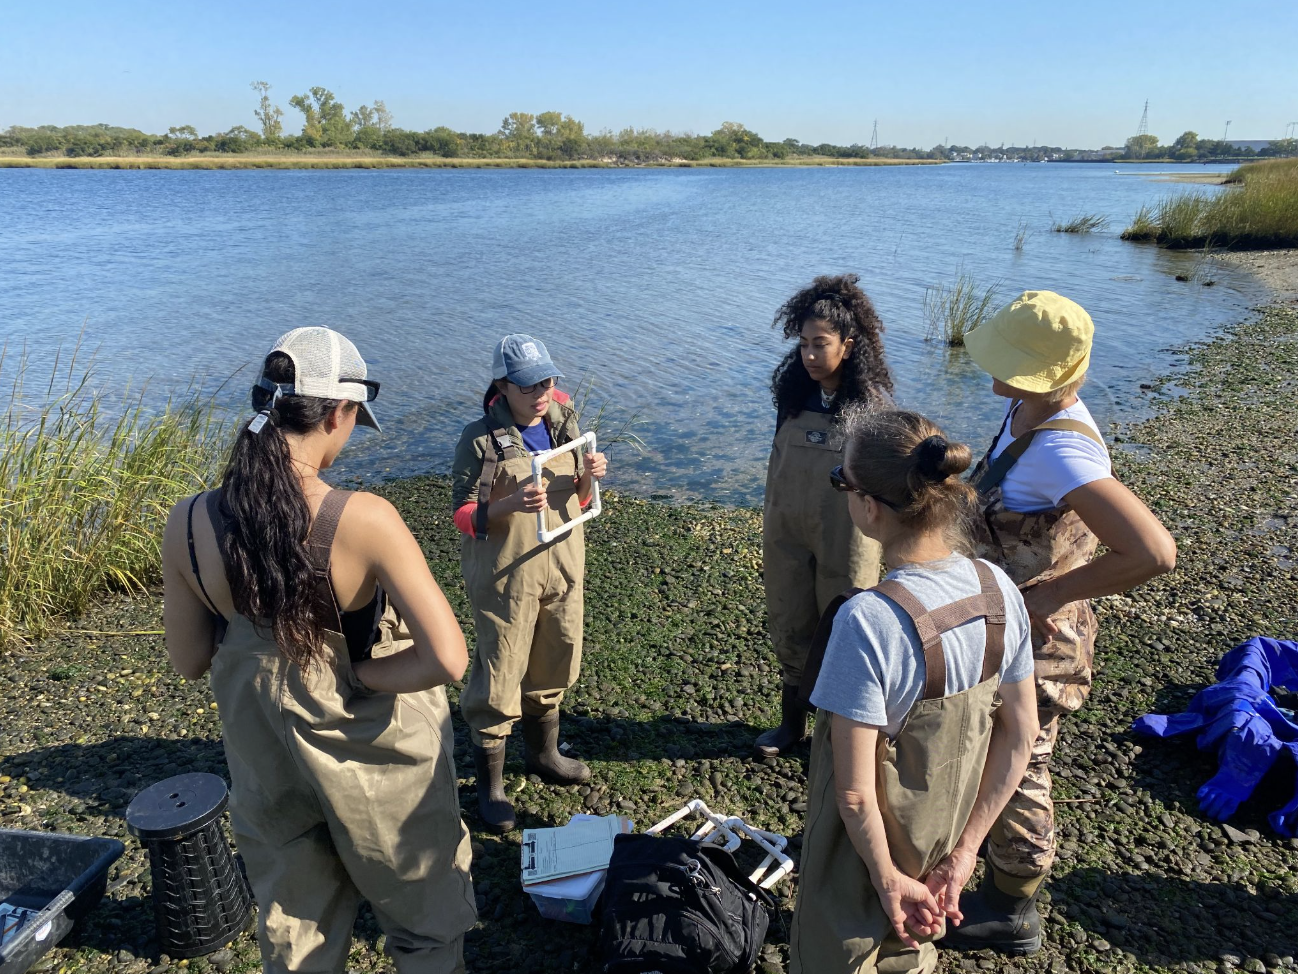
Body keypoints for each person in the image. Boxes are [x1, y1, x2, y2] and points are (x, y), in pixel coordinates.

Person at [161, 327, 477, 974]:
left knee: (298, 935)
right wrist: (360, 671)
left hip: (268, 761)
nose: (350, 437)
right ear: (337, 412)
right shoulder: (364, 520)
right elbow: (448, 659)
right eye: (354, 422)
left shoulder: (189, 520)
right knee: (425, 929)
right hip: (374, 767)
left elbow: (190, 660)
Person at [941, 291, 1177, 954]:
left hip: (1040, 645)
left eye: (1012, 360)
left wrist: (1047, 598)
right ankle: (981, 853)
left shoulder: (1064, 454)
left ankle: (1012, 907)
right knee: (999, 748)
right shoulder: (1027, 409)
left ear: (1047, 373)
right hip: (1003, 626)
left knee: (1024, 762)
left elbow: (1154, 552)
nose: (996, 368)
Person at [790, 407, 1037, 974]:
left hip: (862, 859)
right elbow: (1020, 733)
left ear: (868, 507)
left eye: (841, 483)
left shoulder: (868, 622)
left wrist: (887, 879)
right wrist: (966, 853)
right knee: (916, 954)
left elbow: (853, 797)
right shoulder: (997, 589)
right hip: (945, 839)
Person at [450, 334, 607, 833]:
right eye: (528, 385)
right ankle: (491, 787)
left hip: (563, 566)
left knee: (558, 656)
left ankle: (544, 755)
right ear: (502, 385)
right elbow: (461, 515)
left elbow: (581, 502)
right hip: (506, 575)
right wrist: (506, 506)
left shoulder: (564, 424)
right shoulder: (479, 440)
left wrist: (592, 477)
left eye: (548, 380)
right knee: (499, 671)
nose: (541, 392)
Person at [757, 272, 895, 757]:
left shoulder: (870, 408)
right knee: (791, 619)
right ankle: (790, 725)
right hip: (787, 529)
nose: (810, 356)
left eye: (821, 344)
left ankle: (839, 738)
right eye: (804, 345)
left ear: (849, 345)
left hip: (848, 536)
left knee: (845, 626)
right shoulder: (792, 396)